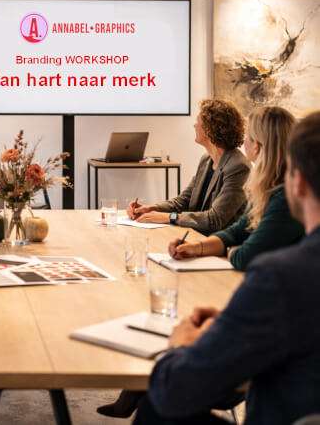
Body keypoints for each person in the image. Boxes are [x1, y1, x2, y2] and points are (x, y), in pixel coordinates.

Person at [135, 111, 320, 425]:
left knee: (159, 403)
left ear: (298, 182)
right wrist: (238, 319)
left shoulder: (279, 276)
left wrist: (180, 346)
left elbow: (174, 389)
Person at [168, 106, 304, 271]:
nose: (244, 141)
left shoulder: (285, 198)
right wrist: (196, 247)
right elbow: (236, 232)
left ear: (257, 146)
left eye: (248, 136)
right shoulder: (268, 187)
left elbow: (244, 256)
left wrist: (229, 249)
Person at [128, 99, 250, 234]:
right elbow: (183, 201)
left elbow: (215, 219)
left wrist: (169, 217)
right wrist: (151, 209)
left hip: (220, 242)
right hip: (197, 235)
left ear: (211, 128)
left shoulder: (238, 167)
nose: (194, 125)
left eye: (198, 121)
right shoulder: (206, 160)